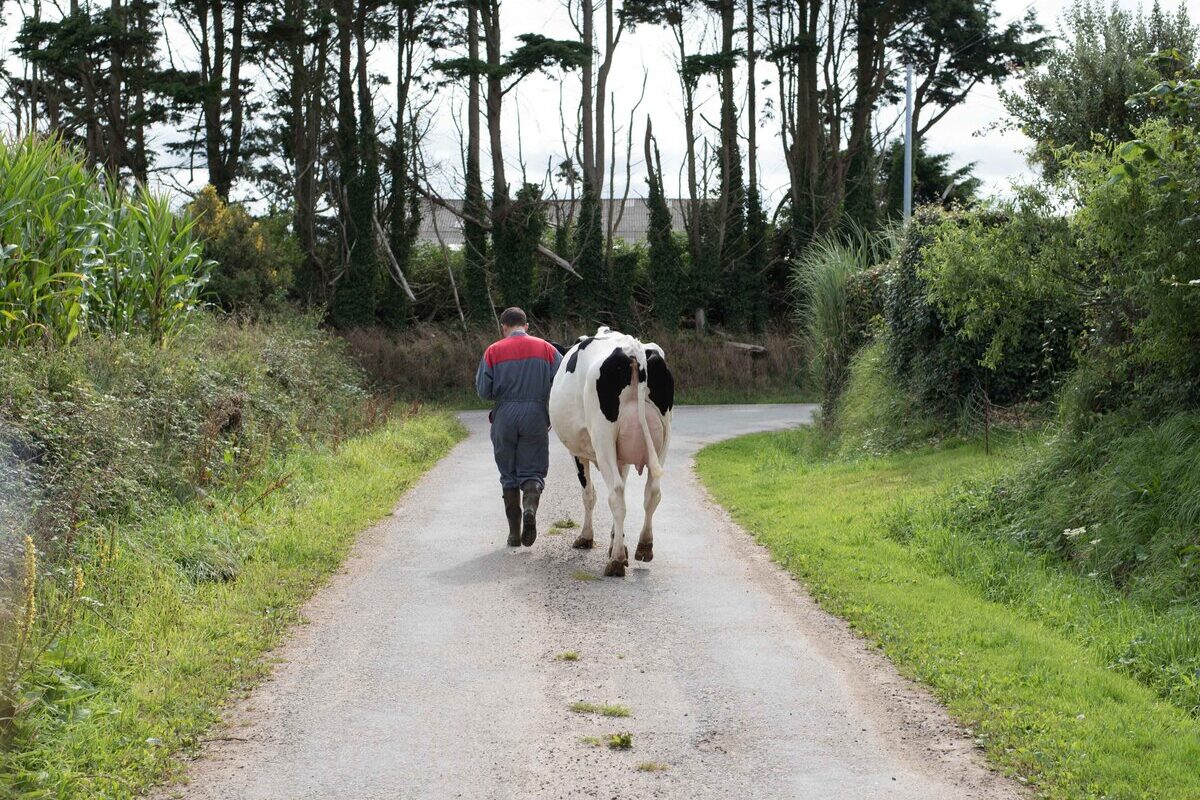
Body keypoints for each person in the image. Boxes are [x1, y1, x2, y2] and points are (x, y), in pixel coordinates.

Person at [475, 307, 562, 547]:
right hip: (536, 413)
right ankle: (530, 508)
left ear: (504, 327)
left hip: (504, 414)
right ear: (526, 325)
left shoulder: (493, 350)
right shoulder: (546, 349)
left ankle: (514, 534)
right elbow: (563, 381)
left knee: (508, 474)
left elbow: (484, 390)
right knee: (533, 470)